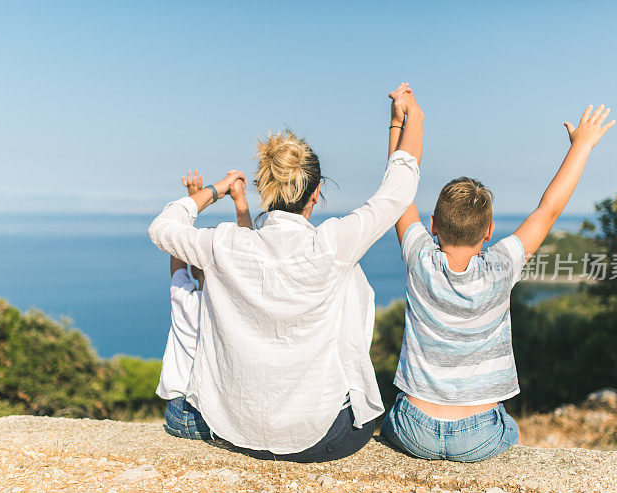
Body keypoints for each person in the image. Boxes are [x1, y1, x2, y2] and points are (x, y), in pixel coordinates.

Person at [147, 83, 423, 462]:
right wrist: (411, 117)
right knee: (348, 273)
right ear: (317, 192)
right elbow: (397, 192)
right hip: (321, 436)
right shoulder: (330, 245)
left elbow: (162, 229)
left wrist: (216, 189)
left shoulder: (225, 244)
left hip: (234, 428)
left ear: (266, 191)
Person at [382, 104, 615, 462]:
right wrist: (580, 146)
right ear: (489, 232)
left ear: (433, 225)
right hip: (478, 433)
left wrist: (403, 121)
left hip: (417, 428)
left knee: (390, 419)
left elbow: (398, 190)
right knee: (508, 427)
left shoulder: (419, 260)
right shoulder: (501, 267)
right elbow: (547, 210)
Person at [156, 171, 251, 439]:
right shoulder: (237, 306)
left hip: (181, 414)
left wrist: (192, 200)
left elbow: (177, 247)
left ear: (195, 270)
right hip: (221, 411)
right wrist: (240, 200)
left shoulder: (185, 299)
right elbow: (248, 248)